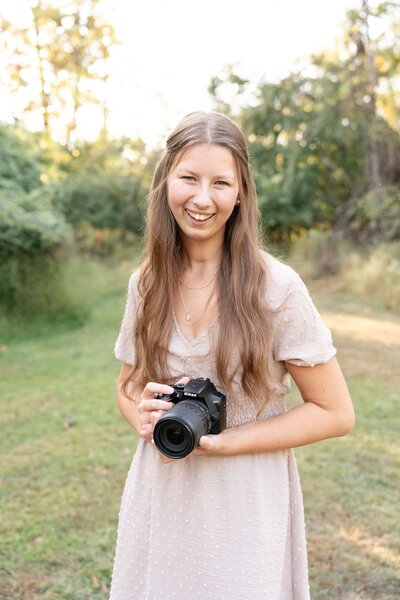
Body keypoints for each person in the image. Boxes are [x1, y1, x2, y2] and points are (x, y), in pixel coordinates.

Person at [109, 111, 355, 600]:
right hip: (162, 494)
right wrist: (141, 414)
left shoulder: (275, 288)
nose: (203, 199)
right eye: (189, 179)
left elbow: (335, 413)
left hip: (244, 504)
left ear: (241, 192)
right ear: (165, 183)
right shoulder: (147, 283)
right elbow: (128, 386)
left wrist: (226, 443)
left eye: (221, 182)